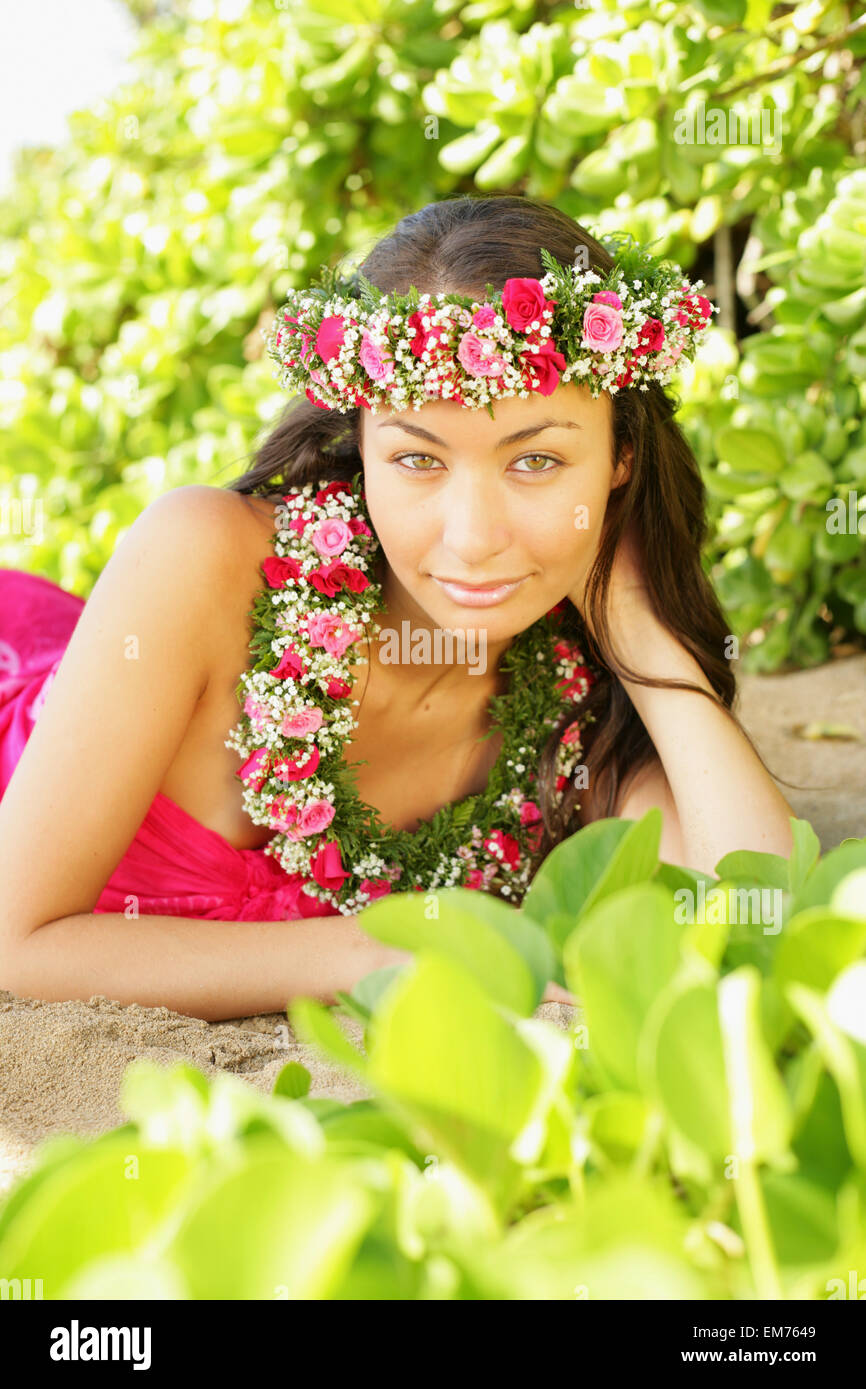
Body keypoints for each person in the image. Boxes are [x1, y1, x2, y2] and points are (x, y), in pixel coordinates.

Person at [0, 193, 795, 1021]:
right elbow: (18, 946)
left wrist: (634, 616)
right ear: (362, 445)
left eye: (538, 463)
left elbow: (757, 910)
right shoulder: (205, 558)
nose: (474, 536)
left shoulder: (583, 702)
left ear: (620, 457)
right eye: (419, 458)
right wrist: (381, 953)